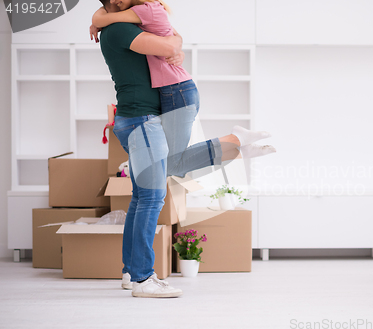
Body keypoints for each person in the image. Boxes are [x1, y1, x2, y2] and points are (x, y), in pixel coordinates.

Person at [91, 0, 275, 298]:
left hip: (137, 119)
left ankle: (130, 272)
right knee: (153, 197)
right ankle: (142, 279)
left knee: (143, 197)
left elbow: (173, 40)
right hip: (141, 121)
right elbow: (170, 47)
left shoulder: (116, 26)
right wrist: (173, 45)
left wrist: (98, 20)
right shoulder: (120, 30)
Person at [91, 0, 276, 175]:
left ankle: (236, 140)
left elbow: (106, 17)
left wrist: (97, 23)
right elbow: (169, 35)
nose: (115, 2)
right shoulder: (140, 14)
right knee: (172, 163)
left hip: (177, 91)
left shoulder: (146, 10)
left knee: (171, 165)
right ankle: (238, 150)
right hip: (174, 90)